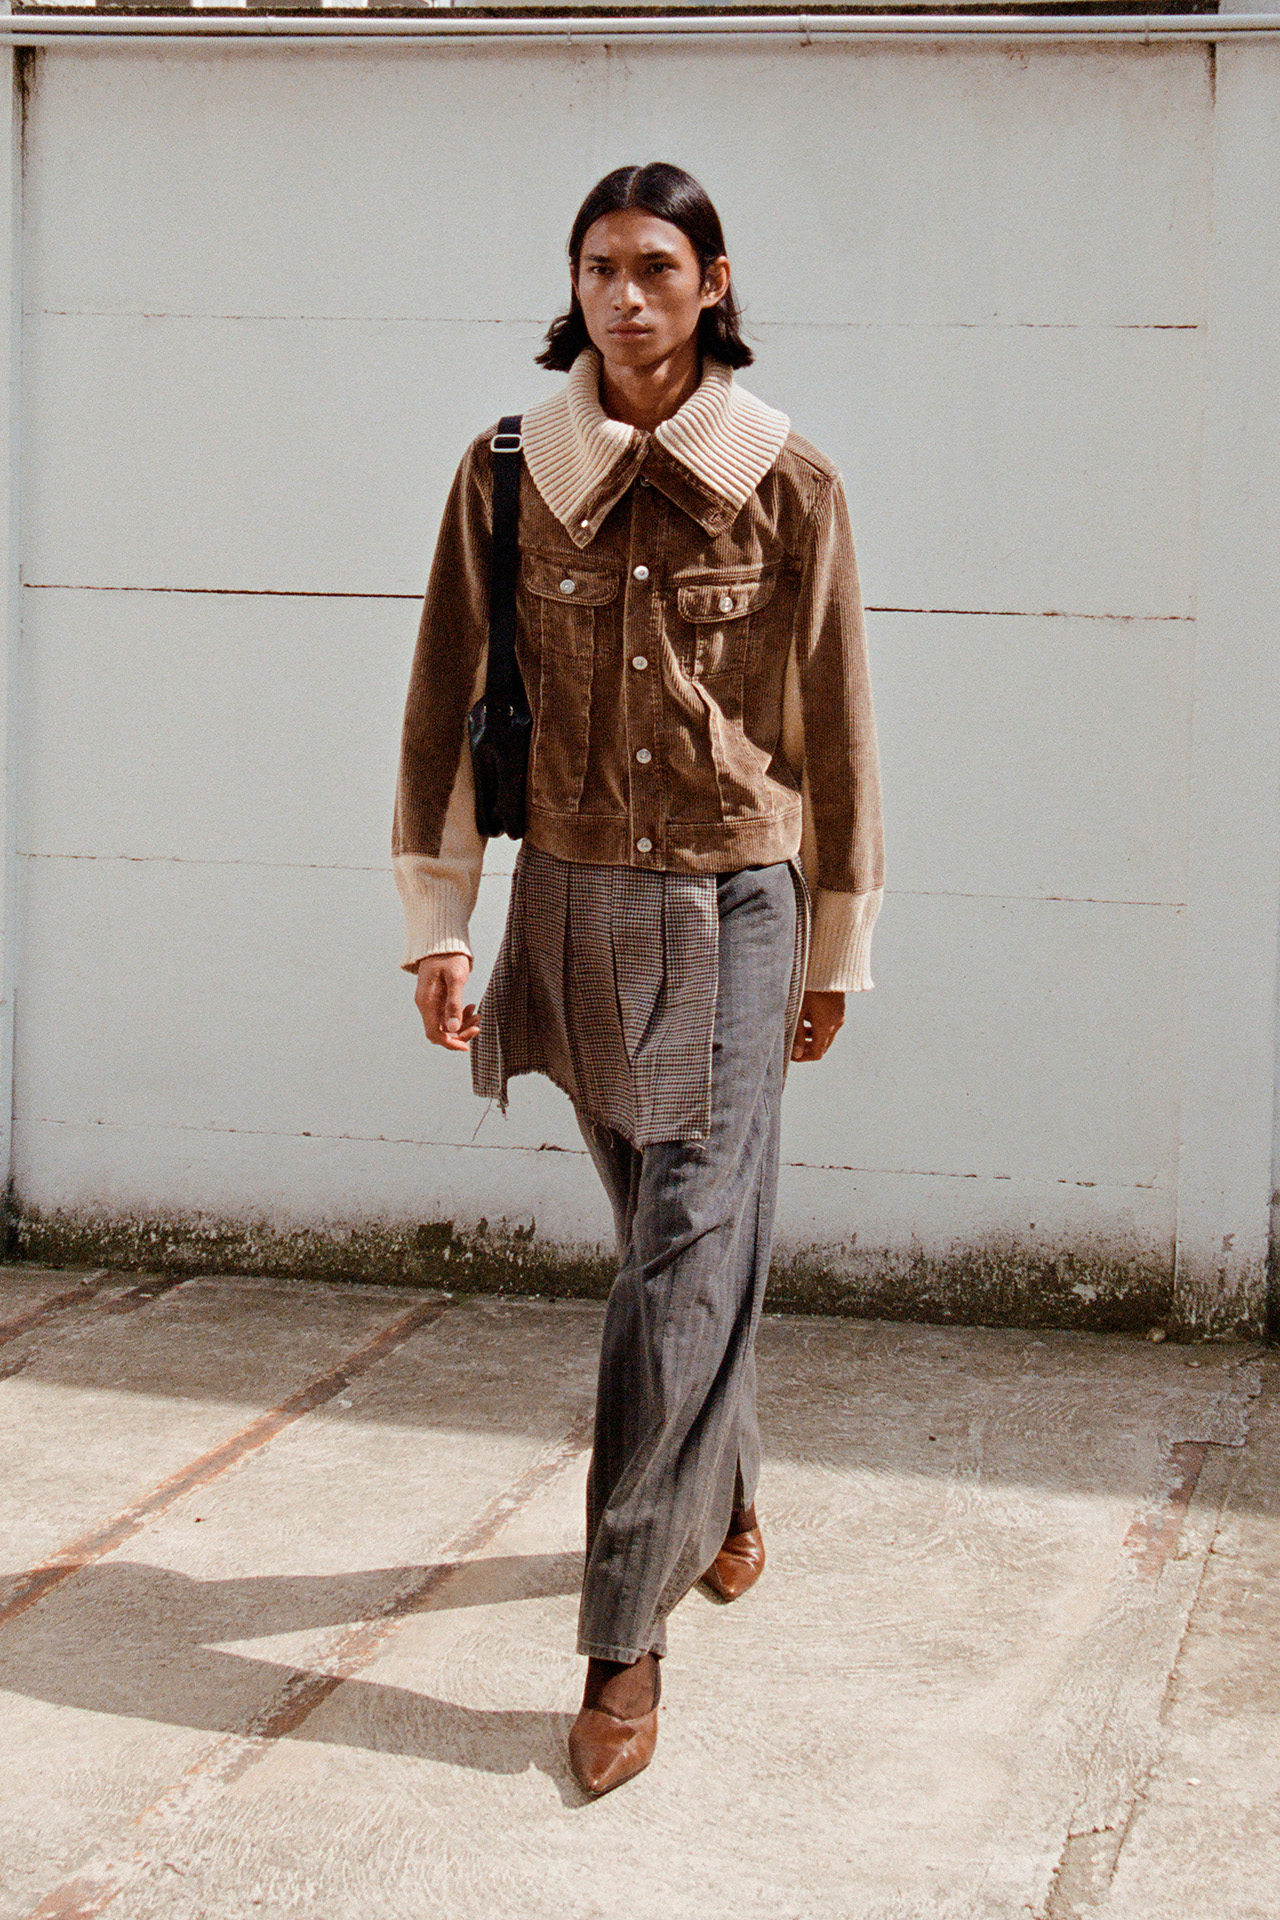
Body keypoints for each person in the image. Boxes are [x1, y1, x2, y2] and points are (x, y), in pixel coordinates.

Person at [393, 161, 883, 1796]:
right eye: (600, 265)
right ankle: (722, 1491)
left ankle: (621, 1632)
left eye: (657, 266)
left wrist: (835, 941)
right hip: (573, 903)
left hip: (737, 909)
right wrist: (442, 920)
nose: (625, 294)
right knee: (672, 1235)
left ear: (713, 282)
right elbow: (445, 703)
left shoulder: (791, 481)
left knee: (680, 1250)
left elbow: (836, 730)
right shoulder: (508, 474)